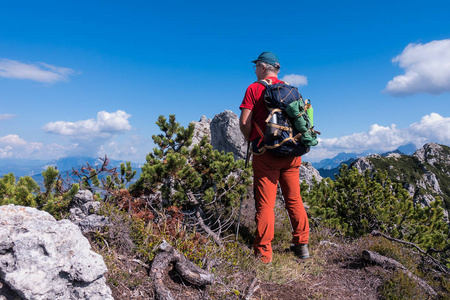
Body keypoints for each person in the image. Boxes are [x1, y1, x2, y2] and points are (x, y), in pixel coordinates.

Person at [239, 51, 310, 263]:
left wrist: (249, 139)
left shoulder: (254, 88)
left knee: (266, 205)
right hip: (292, 154)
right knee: (294, 199)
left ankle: (263, 255)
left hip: (265, 153)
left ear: (262, 67)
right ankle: (302, 245)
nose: (255, 70)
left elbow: (244, 122)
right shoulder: (291, 89)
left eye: (255, 67)